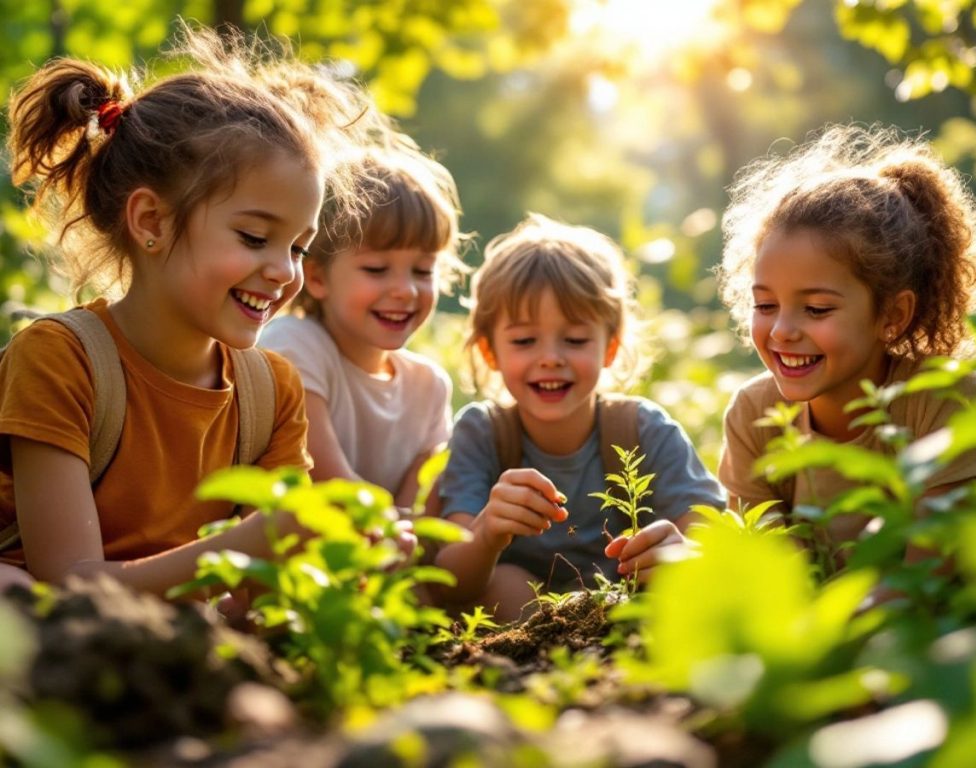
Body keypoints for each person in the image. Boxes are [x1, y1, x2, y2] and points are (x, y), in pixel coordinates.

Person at [0, 27, 368, 595]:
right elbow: (70, 584)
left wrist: (337, 555)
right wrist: (246, 549)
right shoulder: (59, 360)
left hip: (171, 630)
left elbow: (259, 599)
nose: (285, 271)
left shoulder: (271, 393)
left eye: (298, 247)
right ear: (150, 221)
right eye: (253, 237)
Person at [716, 123, 976, 547]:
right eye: (765, 305)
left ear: (893, 314)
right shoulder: (753, 415)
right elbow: (769, 571)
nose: (781, 330)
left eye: (816, 309)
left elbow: (929, 569)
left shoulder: (943, 399)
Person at [434, 214, 725, 622]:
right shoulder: (482, 432)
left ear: (609, 347)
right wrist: (486, 534)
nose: (551, 357)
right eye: (523, 340)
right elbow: (450, 581)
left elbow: (710, 538)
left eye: (574, 340)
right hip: (520, 615)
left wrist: (681, 551)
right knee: (505, 583)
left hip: (628, 609)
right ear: (489, 352)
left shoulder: (644, 429)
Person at [260, 145, 467, 509]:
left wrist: (403, 536)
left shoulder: (428, 387)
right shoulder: (296, 345)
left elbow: (417, 512)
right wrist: (397, 533)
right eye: (376, 269)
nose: (405, 290)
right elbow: (331, 488)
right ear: (318, 277)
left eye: (422, 271)